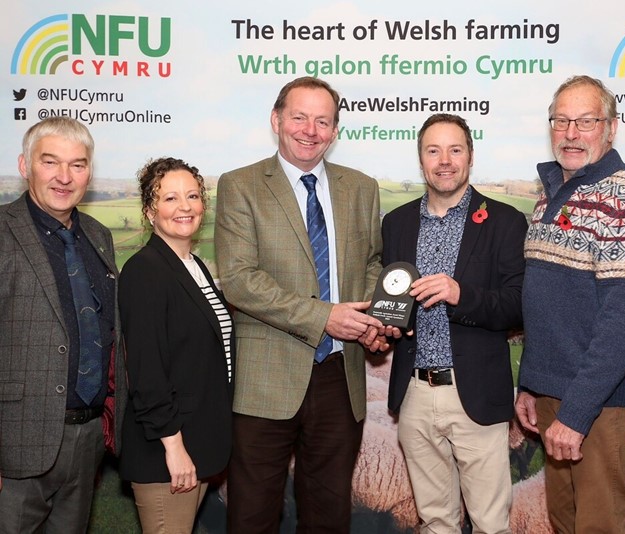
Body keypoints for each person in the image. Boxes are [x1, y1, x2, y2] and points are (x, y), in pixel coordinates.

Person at [215, 76, 387, 533]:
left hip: (339, 376)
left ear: (335, 130)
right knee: (252, 516)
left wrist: (368, 319)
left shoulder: (361, 188)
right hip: (266, 379)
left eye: (323, 121)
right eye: (299, 117)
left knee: (329, 517)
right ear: (276, 121)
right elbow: (239, 279)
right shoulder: (241, 185)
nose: (310, 130)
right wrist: (325, 316)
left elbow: (372, 261)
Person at [514, 75, 625, 533]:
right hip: (554, 397)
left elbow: (624, 321)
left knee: (601, 526)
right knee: (564, 523)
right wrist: (531, 383)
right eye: (561, 121)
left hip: (601, 407)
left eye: (585, 121)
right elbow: (547, 305)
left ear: (611, 128)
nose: (571, 133)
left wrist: (577, 413)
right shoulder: (553, 194)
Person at [383, 113, 527, 533]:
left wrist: (460, 294)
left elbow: (518, 305)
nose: (444, 160)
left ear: (470, 156)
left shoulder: (504, 221)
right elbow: (393, 300)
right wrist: (387, 325)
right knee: (434, 522)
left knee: (489, 524)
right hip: (413, 393)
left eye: (455, 149)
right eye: (433, 150)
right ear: (421, 159)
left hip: (475, 396)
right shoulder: (397, 223)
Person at [0, 117, 126, 533]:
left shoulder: (97, 234)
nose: (64, 177)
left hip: (86, 438)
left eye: (78, 164)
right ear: (25, 165)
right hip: (14, 446)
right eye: (50, 162)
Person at [118, 157, 235, 533]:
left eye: (192, 196)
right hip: (165, 452)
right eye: (169, 199)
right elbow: (147, 371)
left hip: (196, 444)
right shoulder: (145, 271)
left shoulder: (193, 264)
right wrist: (174, 448)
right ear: (150, 212)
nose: (184, 207)